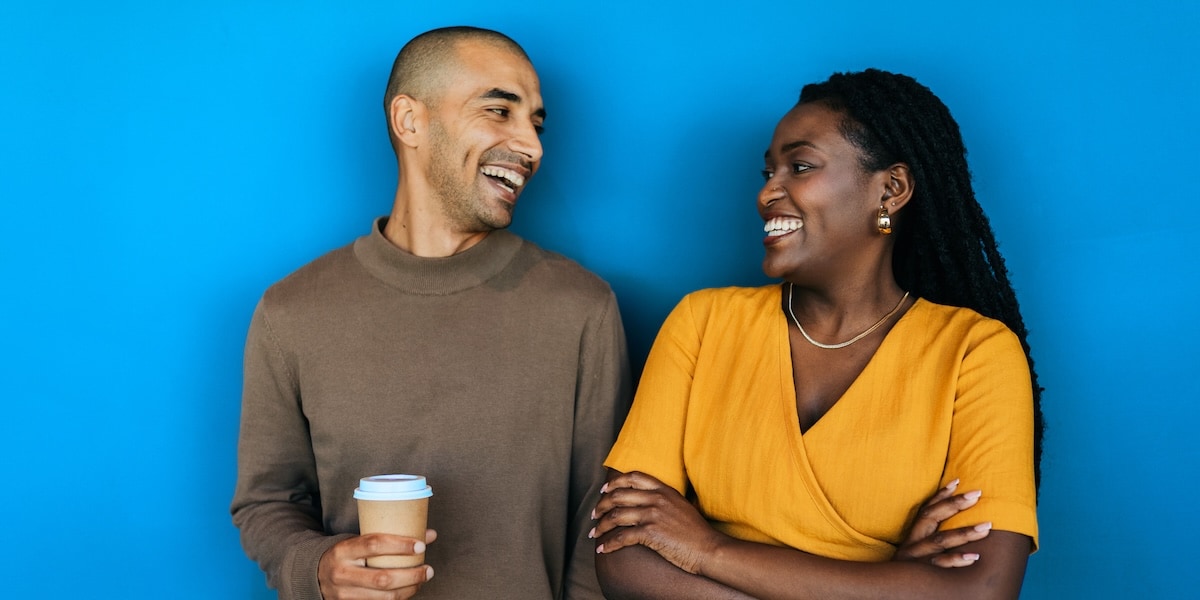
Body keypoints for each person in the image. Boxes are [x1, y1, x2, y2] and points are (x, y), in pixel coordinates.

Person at [591, 69, 1042, 599]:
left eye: (799, 167)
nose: (767, 193)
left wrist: (710, 550)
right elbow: (623, 556)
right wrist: (887, 584)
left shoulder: (974, 352)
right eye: (767, 172)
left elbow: (980, 590)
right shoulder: (703, 323)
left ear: (891, 189)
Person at [231, 26, 631, 600]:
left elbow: (600, 527)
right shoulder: (291, 311)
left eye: (536, 124)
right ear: (409, 121)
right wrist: (317, 567)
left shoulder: (582, 308)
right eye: (499, 110)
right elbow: (266, 502)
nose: (532, 147)